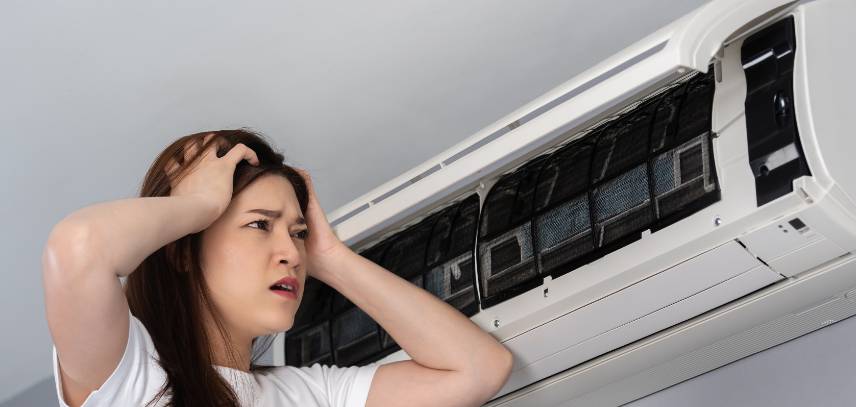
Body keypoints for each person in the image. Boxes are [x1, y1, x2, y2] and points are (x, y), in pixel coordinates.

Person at [41, 129, 514, 407]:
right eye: (259, 225)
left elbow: (478, 368)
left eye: (297, 231)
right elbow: (77, 249)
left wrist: (331, 259)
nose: (290, 251)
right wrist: (203, 204)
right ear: (182, 250)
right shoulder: (131, 379)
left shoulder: (307, 394)